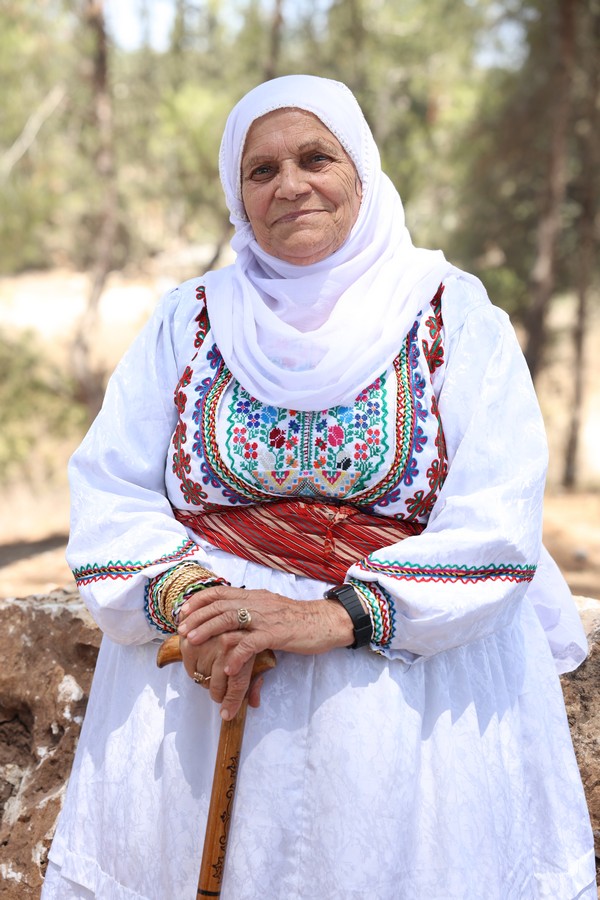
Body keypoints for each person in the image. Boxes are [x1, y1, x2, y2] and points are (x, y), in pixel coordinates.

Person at [42, 74, 596, 900]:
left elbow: (496, 509)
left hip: (408, 699)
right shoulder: (187, 318)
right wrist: (199, 604)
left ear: (361, 171)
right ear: (238, 196)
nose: (290, 185)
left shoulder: (452, 313)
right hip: (206, 682)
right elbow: (110, 486)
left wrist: (332, 617)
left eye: (315, 158)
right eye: (261, 170)